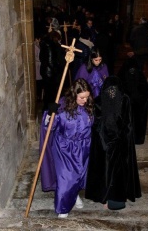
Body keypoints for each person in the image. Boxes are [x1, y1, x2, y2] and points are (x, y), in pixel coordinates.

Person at [39, 78, 94, 218]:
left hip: (84, 147)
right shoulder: (62, 108)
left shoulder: (88, 106)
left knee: (79, 175)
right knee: (66, 177)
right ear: (74, 94)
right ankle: (62, 207)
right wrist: (50, 114)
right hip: (65, 147)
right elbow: (48, 127)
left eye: (87, 97)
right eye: (82, 97)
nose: (85, 100)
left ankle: (74, 196)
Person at [85, 76, 142, 210]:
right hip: (111, 144)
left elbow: (125, 124)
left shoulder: (105, 100)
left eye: (114, 90)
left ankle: (111, 198)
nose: (112, 93)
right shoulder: (121, 99)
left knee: (111, 171)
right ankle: (109, 197)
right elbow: (126, 124)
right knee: (112, 171)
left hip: (112, 144)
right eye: (110, 90)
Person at [117, 58, 148, 144]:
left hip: (138, 104)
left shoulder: (138, 78)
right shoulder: (124, 77)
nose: (132, 72)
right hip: (131, 103)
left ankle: (136, 139)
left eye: (134, 70)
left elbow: (145, 91)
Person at [39, 30, 66, 111]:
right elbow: (51, 61)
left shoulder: (44, 44)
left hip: (46, 72)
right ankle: (50, 109)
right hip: (51, 74)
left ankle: (47, 108)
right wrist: (57, 69)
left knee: (48, 92)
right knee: (51, 93)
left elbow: (42, 58)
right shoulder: (52, 46)